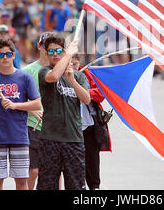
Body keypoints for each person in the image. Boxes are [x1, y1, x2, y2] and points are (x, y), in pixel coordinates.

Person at [0, 39, 41, 190]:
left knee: (21, 181)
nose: (5, 58)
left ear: (14, 55)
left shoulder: (24, 77)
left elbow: (36, 104)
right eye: (1, 55)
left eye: (8, 54)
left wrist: (15, 105)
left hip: (19, 135)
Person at [36, 36, 91, 190]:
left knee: (76, 185)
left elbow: (86, 99)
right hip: (50, 138)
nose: (55, 54)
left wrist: (72, 80)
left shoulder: (79, 75)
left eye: (59, 51)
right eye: (51, 51)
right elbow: (53, 77)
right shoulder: (44, 71)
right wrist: (68, 55)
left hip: (73, 138)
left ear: (64, 51)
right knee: (47, 184)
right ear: (46, 54)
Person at [72, 55, 111, 190]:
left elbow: (101, 93)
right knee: (73, 165)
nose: (72, 67)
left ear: (79, 62)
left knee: (92, 162)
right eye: (69, 64)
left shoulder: (88, 73)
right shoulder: (59, 74)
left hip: (89, 126)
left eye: (75, 64)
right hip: (69, 128)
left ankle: (94, 187)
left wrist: (83, 92)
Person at [21, 33, 52, 190]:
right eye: (45, 44)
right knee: (33, 170)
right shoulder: (28, 71)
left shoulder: (58, 70)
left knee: (54, 171)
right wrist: (34, 111)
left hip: (54, 128)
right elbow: (19, 98)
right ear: (39, 46)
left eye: (52, 45)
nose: (48, 48)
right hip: (33, 126)